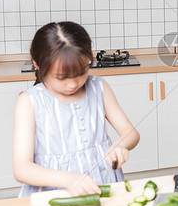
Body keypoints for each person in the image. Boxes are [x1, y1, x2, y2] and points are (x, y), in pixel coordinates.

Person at [13, 21, 140, 196]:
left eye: (81, 72)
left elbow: (130, 132)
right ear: (38, 65)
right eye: (61, 77)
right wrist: (68, 179)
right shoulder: (29, 101)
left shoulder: (98, 87)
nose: (73, 84)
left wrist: (120, 145)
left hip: (103, 182)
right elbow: (21, 169)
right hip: (54, 192)